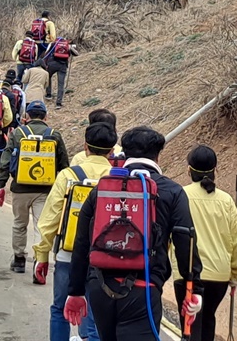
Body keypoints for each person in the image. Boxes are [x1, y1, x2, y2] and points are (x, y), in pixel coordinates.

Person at [63, 126, 203, 341]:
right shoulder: (172, 191)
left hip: (100, 287)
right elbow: (185, 241)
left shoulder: (102, 188)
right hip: (143, 289)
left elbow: (82, 241)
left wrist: (75, 291)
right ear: (158, 154)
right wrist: (193, 289)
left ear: (124, 152)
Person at [33, 122, 117, 341]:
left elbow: (49, 220)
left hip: (68, 255)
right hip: (105, 258)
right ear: (112, 150)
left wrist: (41, 255)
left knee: (60, 309)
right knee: (98, 315)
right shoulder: (118, 179)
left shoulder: (68, 176)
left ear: (85, 146)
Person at [173, 146, 237, 341]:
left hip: (187, 273)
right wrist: (236, 274)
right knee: (208, 320)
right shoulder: (227, 201)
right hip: (219, 276)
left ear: (189, 170)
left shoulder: (180, 196)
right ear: (216, 169)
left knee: (191, 324)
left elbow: (171, 234)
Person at [0, 100, 69, 273]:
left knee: (19, 224)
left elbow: (5, 161)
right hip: (45, 190)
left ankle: (19, 259)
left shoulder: (18, 133)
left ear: (26, 116)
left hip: (20, 188)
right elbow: (64, 164)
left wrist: (1, 184)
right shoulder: (54, 134)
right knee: (40, 225)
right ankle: (39, 260)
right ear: (46, 116)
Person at [43, 36, 77, 108]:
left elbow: (47, 53)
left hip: (52, 64)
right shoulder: (68, 45)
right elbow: (76, 54)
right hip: (63, 66)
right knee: (61, 84)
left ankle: (48, 94)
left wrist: (45, 63)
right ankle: (58, 103)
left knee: (48, 77)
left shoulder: (53, 44)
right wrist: (71, 47)